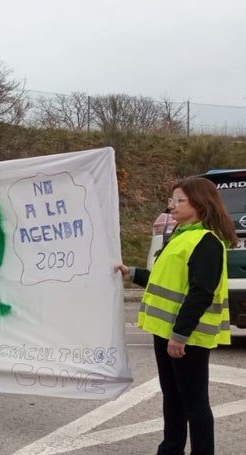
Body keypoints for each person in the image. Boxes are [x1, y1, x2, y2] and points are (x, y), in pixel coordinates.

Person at [115, 176, 236, 455]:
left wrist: (180, 335)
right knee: (173, 396)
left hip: (186, 337)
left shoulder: (206, 242)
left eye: (180, 200)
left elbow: (200, 293)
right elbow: (165, 279)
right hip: (166, 330)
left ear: (200, 204)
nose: (173, 206)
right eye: (172, 200)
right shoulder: (181, 235)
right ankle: (171, 448)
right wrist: (132, 273)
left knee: (194, 401)